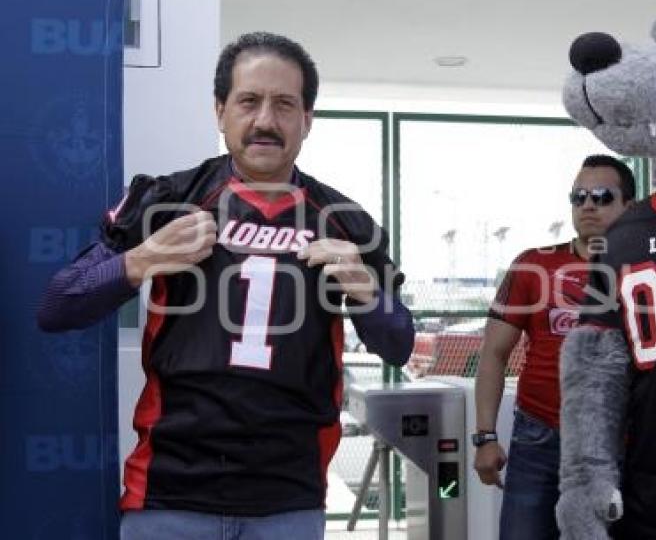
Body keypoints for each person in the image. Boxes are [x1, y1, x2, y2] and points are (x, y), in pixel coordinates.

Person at [38, 32, 414, 540]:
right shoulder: (169, 198)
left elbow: (398, 344)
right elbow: (59, 305)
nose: (265, 121)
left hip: (288, 496)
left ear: (307, 119)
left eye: (284, 104)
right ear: (220, 111)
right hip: (169, 492)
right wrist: (144, 257)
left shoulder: (346, 221)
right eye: (248, 101)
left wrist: (365, 290)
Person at [472, 155, 634, 540]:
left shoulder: (649, 268)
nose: (588, 205)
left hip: (620, 441)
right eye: (578, 197)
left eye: (601, 196)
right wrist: (485, 436)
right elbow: (493, 353)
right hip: (539, 436)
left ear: (630, 206)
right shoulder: (532, 265)